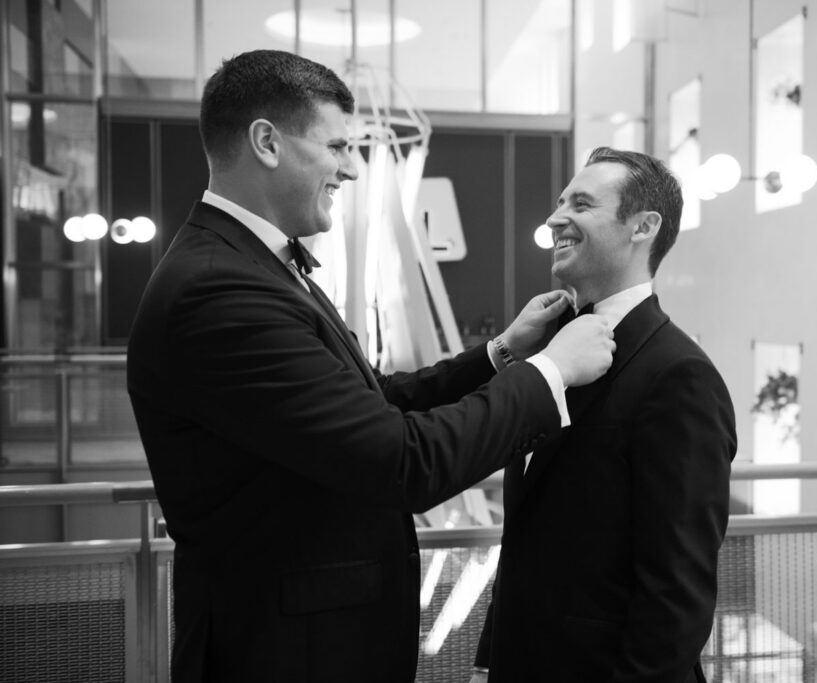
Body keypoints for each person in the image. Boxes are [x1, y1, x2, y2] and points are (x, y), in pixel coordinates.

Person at [126, 50, 615, 683]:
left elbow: (370, 398)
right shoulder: (220, 291)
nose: (352, 169)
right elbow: (402, 461)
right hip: (285, 654)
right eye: (336, 147)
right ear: (267, 142)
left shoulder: (257, 264)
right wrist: (551, 372)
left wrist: (500, 355)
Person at [472, 147, 737, 683]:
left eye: (582, 203)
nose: (553, 218)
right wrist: (488, 659)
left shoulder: (679, 375)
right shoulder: (553, 348)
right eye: (559, 201)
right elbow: (531, 536)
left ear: (643, 226)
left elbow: (676, 593)